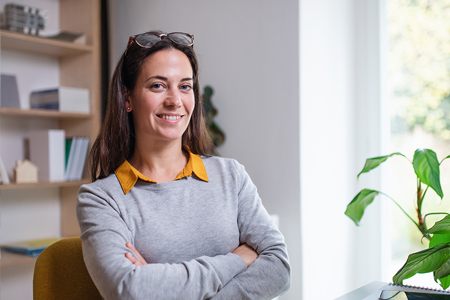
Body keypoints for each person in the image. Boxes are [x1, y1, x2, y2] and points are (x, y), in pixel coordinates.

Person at [77, 30, 291, 300]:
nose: (175, 100)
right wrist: (237, 260)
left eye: (185, 86)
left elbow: (279, 270)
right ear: (127, 98)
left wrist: (161, 284)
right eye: (158, 85)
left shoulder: (231, 176)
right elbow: (129, 290)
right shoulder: (101, 199)